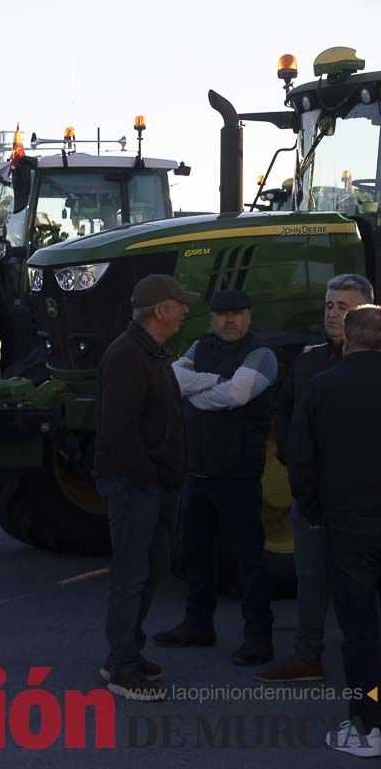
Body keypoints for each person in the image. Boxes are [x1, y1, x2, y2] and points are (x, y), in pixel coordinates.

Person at [258, 273, 375, 683]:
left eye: (342, 307)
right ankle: (308, 655)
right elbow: (284, 409)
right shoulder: (309, 360)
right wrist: (294, 459)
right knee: (311, 577)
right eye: (328, 305)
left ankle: (367, 681)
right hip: (312, 498)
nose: (331, 313)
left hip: (360, 503)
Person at [154, 289, 277, 665]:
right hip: (198, 471)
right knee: (195, 552)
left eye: (238, 313)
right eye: (223, 314)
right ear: (212, 319)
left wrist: (197, 395)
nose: (229, 320)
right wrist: (215, 382)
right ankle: (198, 625)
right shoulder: (199, 346)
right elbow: (172, 380)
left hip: (238, 474)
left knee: (248, 559)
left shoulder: (263, 354)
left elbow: (237, 395)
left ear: (250, 316)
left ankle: (259, 638)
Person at [92, 274, 194, 701]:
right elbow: (120, 430)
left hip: (150, 483)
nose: (186, 310)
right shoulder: (128, 356)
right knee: (132, 574)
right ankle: (122, 666)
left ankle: (126, 652)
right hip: (136, 485)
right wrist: (150, 480)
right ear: (160, 311)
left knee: (147, 571)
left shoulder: (147, 352)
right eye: (179, 303)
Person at [288, 305, 381, 756]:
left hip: (346, 525)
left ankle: (368, 726)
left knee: (361, 633)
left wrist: (313, 511)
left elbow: (300, 460)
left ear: (347, 339)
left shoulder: (322, 387)